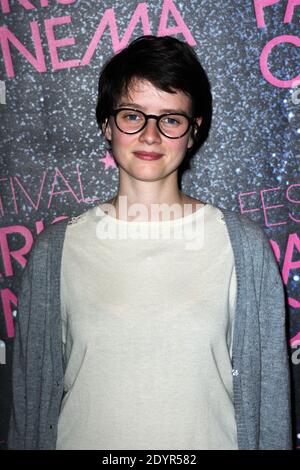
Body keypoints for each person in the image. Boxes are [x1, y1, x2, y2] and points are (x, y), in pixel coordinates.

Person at [8, 35, 292, 450]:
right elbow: (30, 403)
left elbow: (269, 404)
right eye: (132, 116)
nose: (150, 136)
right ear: (107, 124)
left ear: (193, 132)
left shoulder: (243, 247)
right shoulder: (56, 249)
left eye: (170, 119)